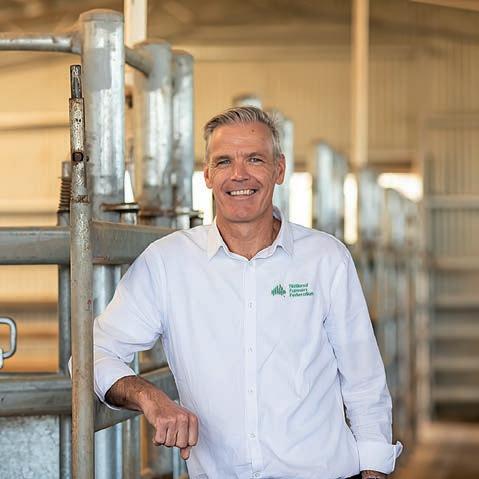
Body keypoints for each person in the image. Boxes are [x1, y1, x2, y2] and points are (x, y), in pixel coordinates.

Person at [93, 106, 402, 479]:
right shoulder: (167, 263)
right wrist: (150, 398)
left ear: (279, 169)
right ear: (208, 175)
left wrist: (375, 470)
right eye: (224, 161)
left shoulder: (326, 258)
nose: (239, 174)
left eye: (255, 159)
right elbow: (96, 352)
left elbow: (364, 383)